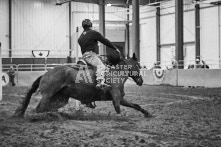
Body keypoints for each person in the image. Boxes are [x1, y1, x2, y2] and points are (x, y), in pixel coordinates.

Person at [78, 19, 121, 89]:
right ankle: (100, 82)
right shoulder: (93, 33)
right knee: (101, 66)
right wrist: (114, 48)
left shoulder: (80, 37)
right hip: (90, 56)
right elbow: (105, 41)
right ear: (91, 25)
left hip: (84, 56)